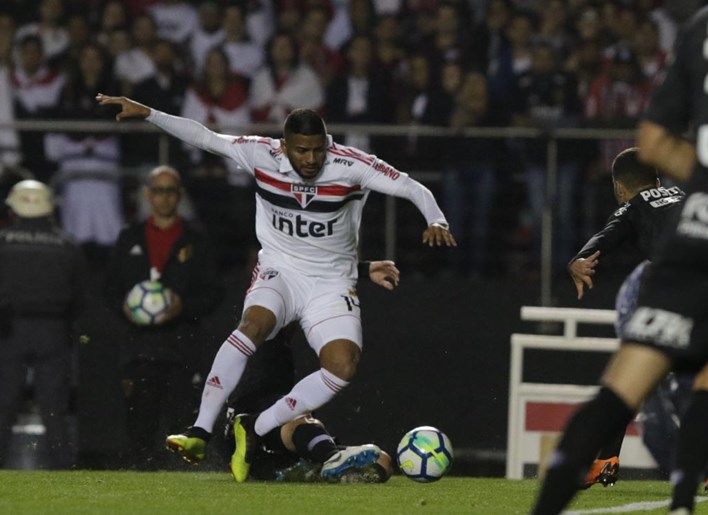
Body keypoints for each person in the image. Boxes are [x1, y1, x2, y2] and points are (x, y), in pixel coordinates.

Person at [95, 92, 456, 483]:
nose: (311, 159)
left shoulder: (350, 165)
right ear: (285, 147)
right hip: (280, 270)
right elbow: (204, 136)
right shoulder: (261, 154)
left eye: (318, 150)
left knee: (343, 366)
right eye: (302, 151)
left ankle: (256, 428)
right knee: (253, 326)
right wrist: (149, 113)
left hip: (331, 282)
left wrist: (437, 220)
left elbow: (410, 186)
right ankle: (199, 431)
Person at [532, 2, 708, 514]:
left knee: (625, 383)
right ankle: (692, 492)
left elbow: (653, 140)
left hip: (697, 246)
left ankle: (579, 481)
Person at [569, 148, 708, 489]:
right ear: (658, 180)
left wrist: (578, 260)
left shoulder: (632, 205)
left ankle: (605, 458)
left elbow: (604, 240)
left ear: (619, 189)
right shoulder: (689, 193)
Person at [224, 260, 401, 483]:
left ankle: (317, 467)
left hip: (279, 446)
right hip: (248, 443)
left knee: (382, 460)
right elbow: (303, 270)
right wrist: (362, 270)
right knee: (299, 417)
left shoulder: (278, 344)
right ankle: (329, 458)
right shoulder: (259, 333)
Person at [105, 165, 221, 469]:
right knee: (139, 423)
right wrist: (124, 308)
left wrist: (185, 306)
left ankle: (185, 484)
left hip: (183, 345)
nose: (164, 197)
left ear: (179, 195)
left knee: (182, 420)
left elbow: (214, 292)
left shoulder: (196, 240)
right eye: (159, 190)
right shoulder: (129, 237)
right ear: (148, 194)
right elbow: (109, 288)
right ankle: (138, 481)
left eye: (171, 191)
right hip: (139, 346)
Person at [0, 180, 86, 469]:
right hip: (54, 332)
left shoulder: (3, 242)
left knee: (3, 408)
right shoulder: (68, 245)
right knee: (55, 413)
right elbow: (80, 297)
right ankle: (63, 471)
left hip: (8, 332)